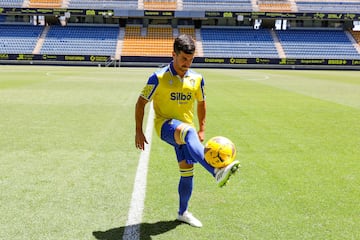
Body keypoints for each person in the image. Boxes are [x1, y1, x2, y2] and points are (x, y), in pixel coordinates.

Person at [135, 34, 240, 228]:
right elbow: (141, 103)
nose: (187, 63)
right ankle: (216, 170)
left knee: (187, 173)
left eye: (191, 60)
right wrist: (138, 131)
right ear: (173, 54)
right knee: (189, 133)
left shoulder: (197, 78)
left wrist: (202, 128)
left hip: (186, 129)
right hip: (165, 126)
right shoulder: (157, 77)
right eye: (184, 59)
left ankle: (183, 212)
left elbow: (202, 103)